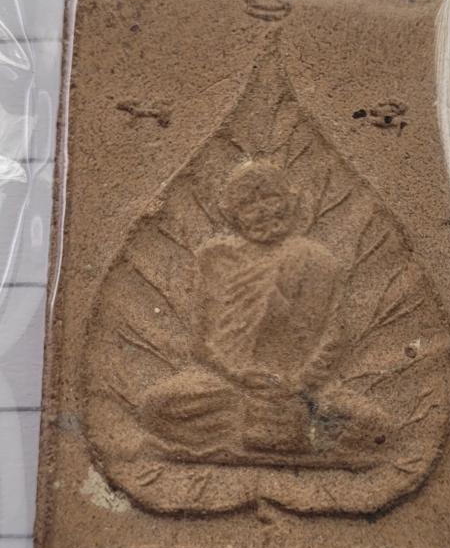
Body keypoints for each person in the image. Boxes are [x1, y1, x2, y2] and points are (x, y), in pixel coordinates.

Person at [141, 158, 389, 461]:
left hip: (301, 388)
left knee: (375, 426)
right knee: (156, 407)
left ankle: (286, 426)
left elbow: (335, 337)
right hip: (231, 387)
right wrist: (240, 376)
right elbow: (202, 345)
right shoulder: (216, 259)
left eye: (270, 198)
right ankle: (262, 431)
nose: (261, 210)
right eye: (248, 204)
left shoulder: (317, 260)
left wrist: (298, 384)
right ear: (232, 215)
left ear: (291, 202)